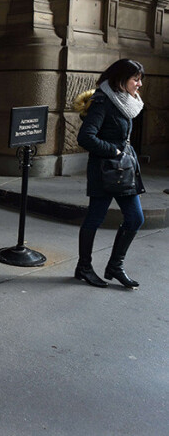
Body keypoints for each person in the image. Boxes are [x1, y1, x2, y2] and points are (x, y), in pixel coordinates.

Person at [74, 59, 146, 289]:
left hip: (123, 169)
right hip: (104, 170)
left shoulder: (127, 101)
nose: (140, 84)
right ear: (121, 79)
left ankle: (115, 266)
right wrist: (112, 150)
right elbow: (85, 137)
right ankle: (84, 267)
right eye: (136, 79)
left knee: (135, 218)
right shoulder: (102, 101)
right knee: (94, 219)